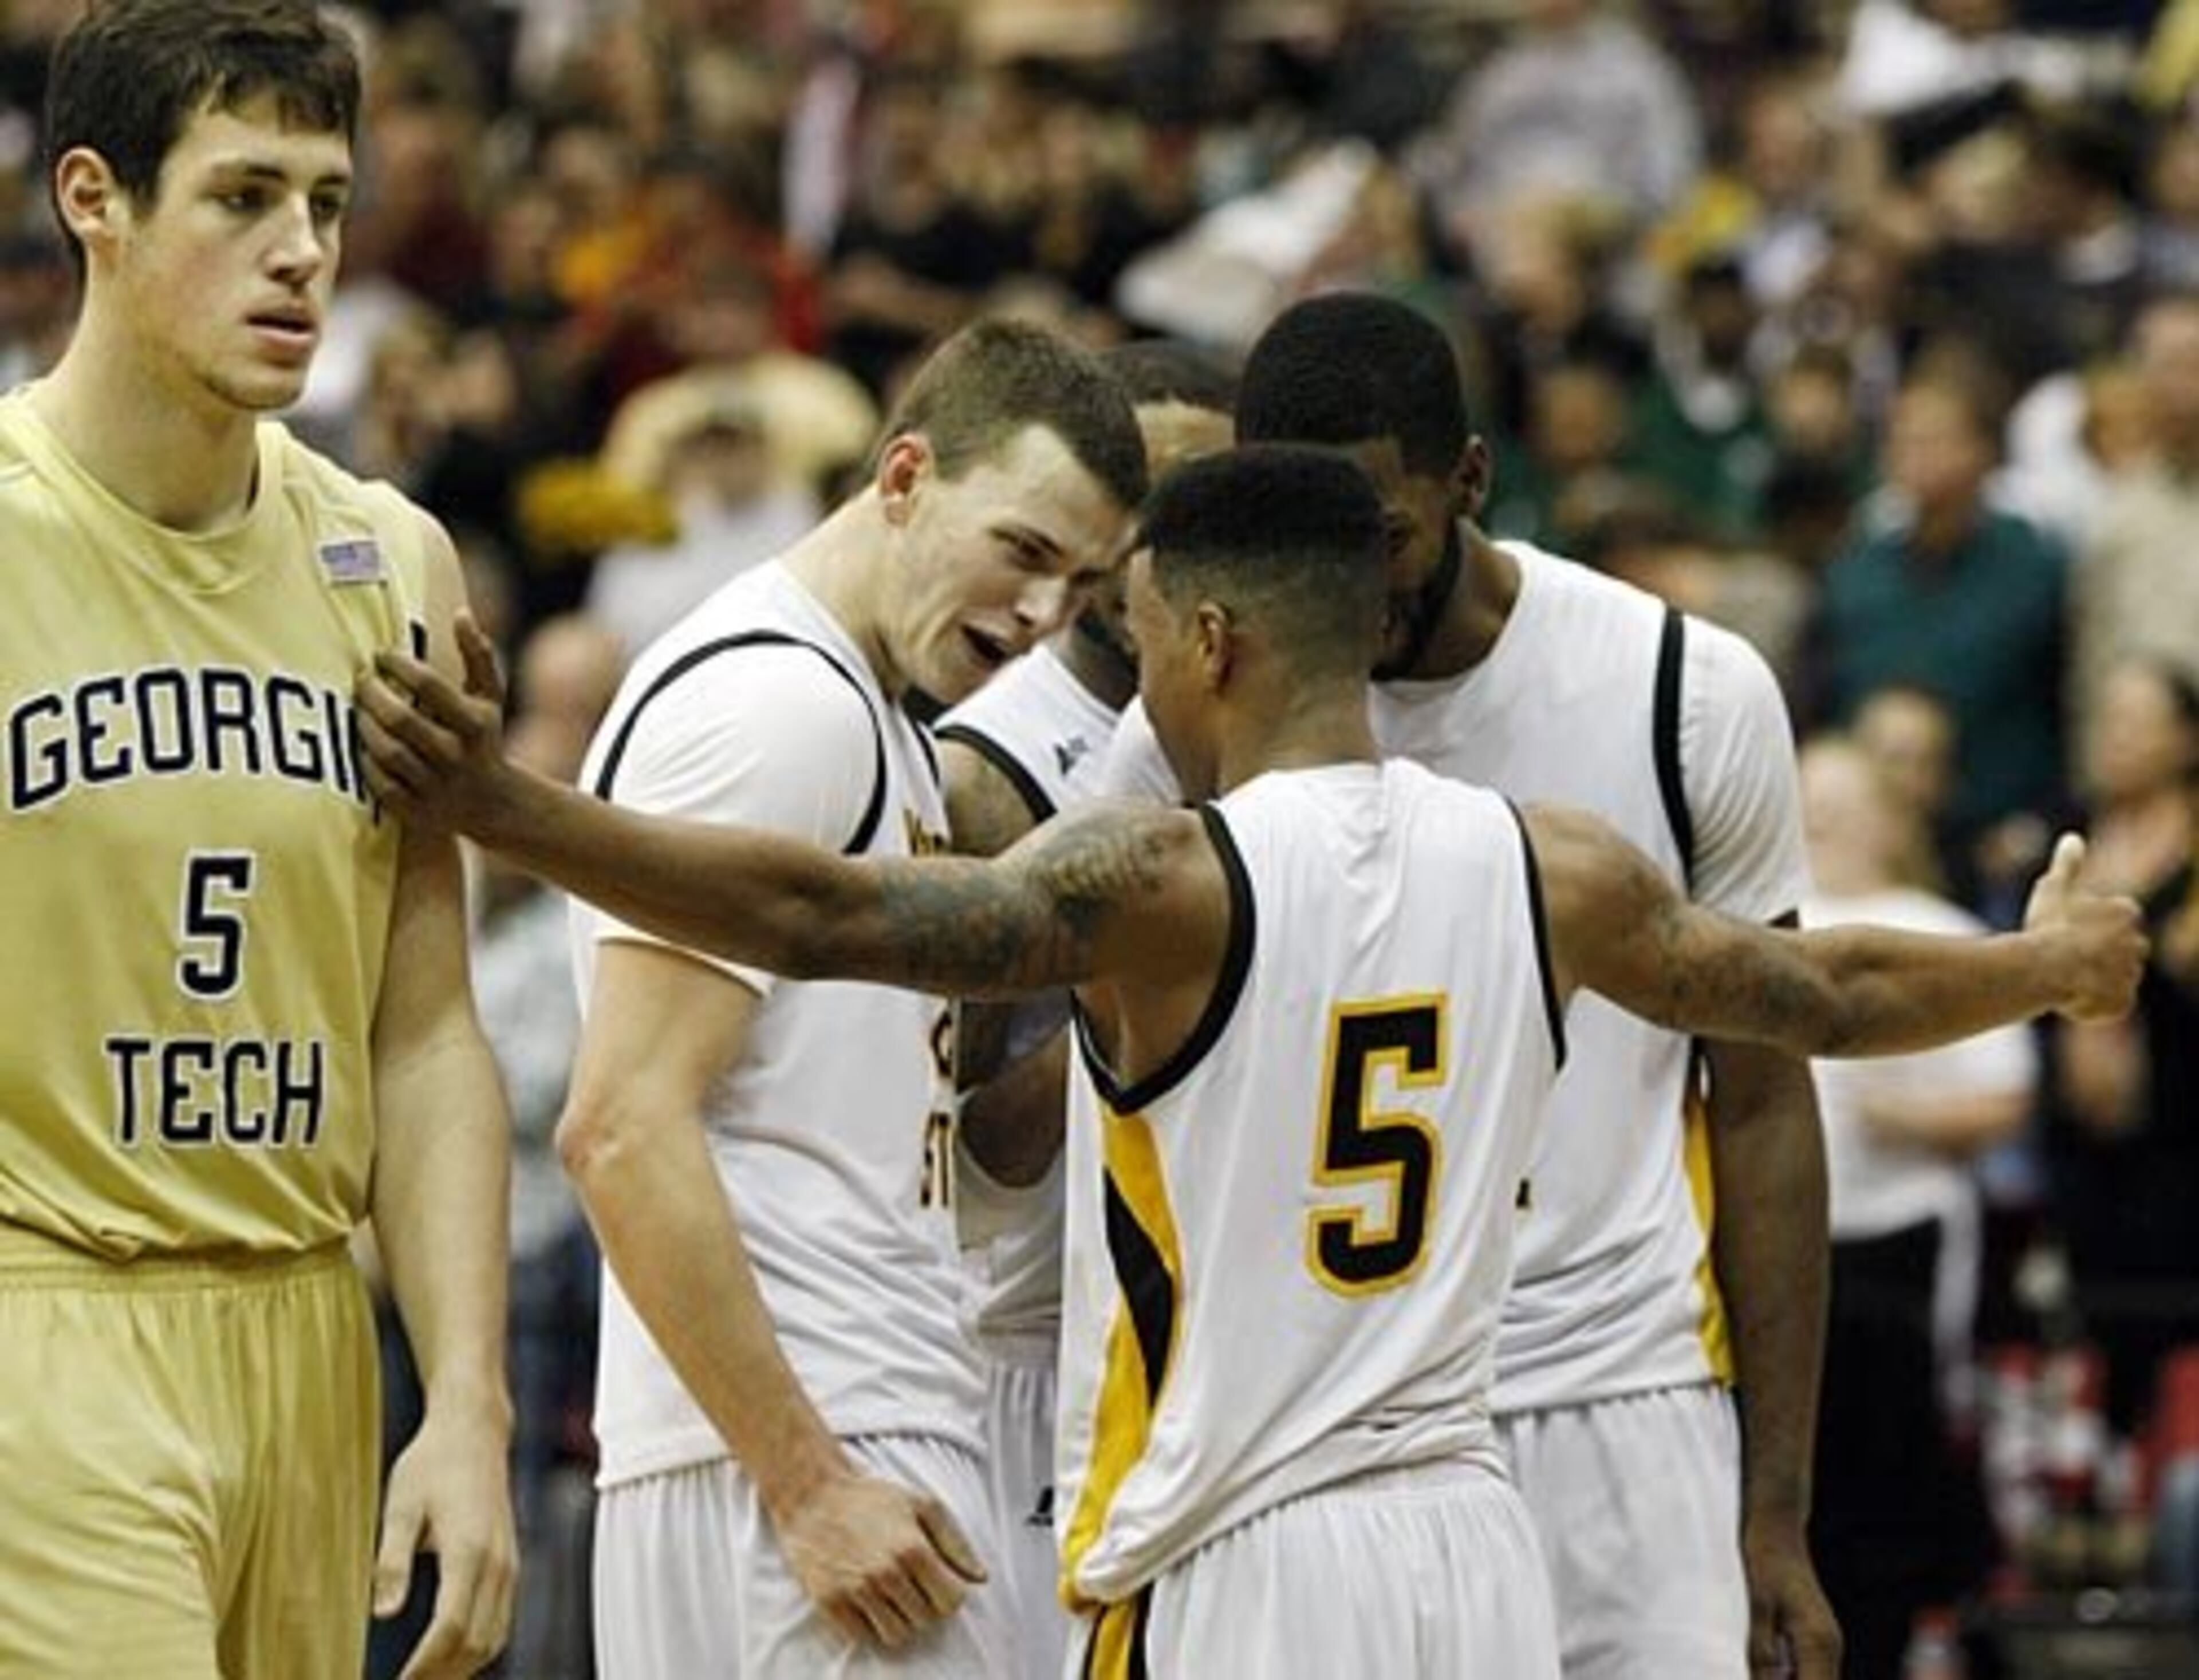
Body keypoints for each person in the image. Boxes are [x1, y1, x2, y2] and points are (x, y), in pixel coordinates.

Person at [358, 444, 2145, 1678]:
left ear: (1208, 637)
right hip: (1475, 1539)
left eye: (1136, 634)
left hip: (1251, 1552)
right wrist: (2048, 967)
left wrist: (512, 805)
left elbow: (826, 913)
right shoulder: (1562, 862)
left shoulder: (1162, 883)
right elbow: (1818, 991)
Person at [1099, 290, 1839, 1677]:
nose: (1354, 585)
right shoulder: (1197, 710)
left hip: (1623, 1398)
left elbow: (1764, 1098)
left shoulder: (1685, 688)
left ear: (1475, 480)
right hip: (1329, 1438)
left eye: (1382, 535)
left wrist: (1777, 1514)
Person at [0, 4, 517, 1677]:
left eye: (327, 202)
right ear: (97, 198)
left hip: (309, 1326)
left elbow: (427, 1024)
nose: (302, 255)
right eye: (241, 199)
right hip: (50, 1311)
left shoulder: (392, 561)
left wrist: (467, 1406)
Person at [533, 316, 1146, 1677]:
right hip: (801, 1449)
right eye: (1026, 553)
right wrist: (806, 1481)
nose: (1044, 616)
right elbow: (620, 1127)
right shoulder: (779, 706)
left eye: (1083, 583)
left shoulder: (873, 718)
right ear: (907, 476)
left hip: (820, 1429)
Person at [935, 337, 1236, 1680]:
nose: (1168, 545)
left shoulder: (1271, 732)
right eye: (1145, 507)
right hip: (1031, 1368)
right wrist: (1145, 984)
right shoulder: (991, 765)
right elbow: (980, 1155)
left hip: (1217, 1352)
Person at [1799, 735, 2038, 1679]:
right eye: (1807, 792)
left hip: (1902, 1232)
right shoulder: (1754, 917)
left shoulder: (1934, 927)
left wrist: (1907, 1118)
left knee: (1890, 1452)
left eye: (1840, 795)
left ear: (1885, 809)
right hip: (1781, 1234)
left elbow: (2007, 1090)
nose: (1822, 813)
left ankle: (1893, 1630)